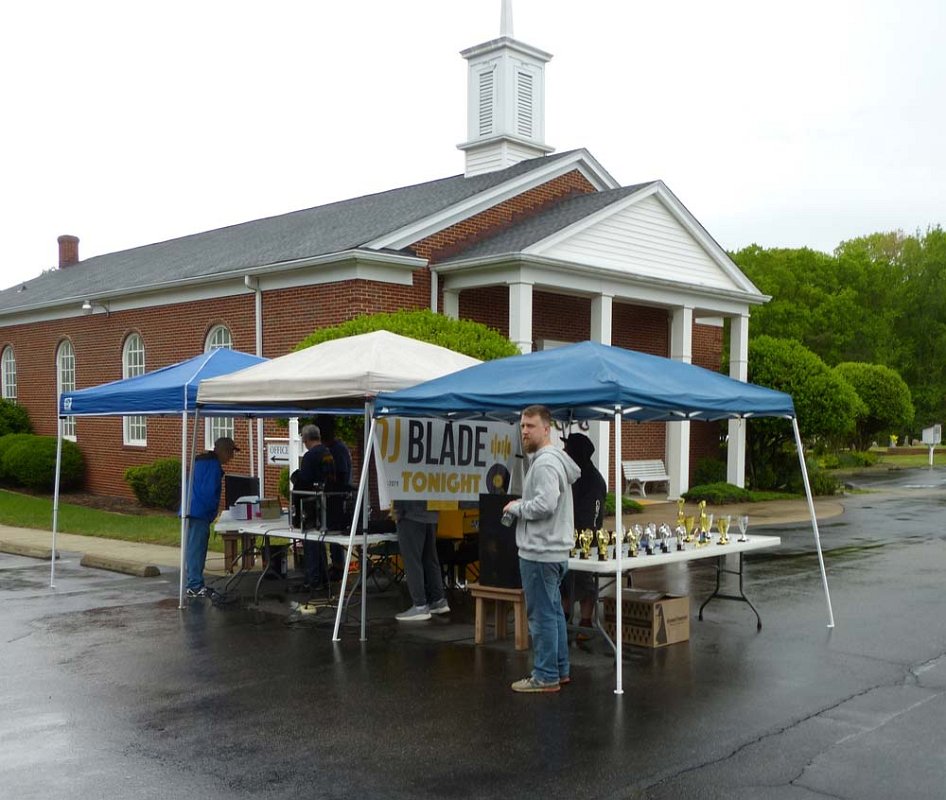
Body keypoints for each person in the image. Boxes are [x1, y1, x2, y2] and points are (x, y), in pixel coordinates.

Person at [503, 405, 579, 693]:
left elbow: (545, 504)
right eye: (522, 425)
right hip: (554, 551)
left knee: (543, 615)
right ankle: (558, 670)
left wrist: (517, 507)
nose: (524, 430)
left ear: (547, 429)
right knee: (554, 613)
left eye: (531, 426)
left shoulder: (546, 463)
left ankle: (545, 676)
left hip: (540, 552)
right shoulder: (552, 460)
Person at [561, 432, 607, 639]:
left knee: (584, 582)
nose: (563, 451)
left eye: (567, 448)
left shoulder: (593, 481)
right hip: (567, 537)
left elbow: (592, 517)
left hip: (586, 539)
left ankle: (586, 622)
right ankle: (564, 619)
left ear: (576, 453)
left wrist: (585, 537)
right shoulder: (572, 475)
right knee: (565, 581)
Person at [185, 436, 239, 602]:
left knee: (194, 548)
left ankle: (195, 583)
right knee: (197, 549)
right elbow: (208, 494)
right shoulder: (212, 466)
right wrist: (211, 515)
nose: (231, 457)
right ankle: (194, 585)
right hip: (199, 511)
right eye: (230, 452)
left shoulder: (202, 462)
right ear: (222, 451)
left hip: (192, 509)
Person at [291, 424, 336, 591]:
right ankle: (323, 578)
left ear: (305, 438)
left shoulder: (310, 456)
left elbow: (304, 480)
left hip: (311, 505)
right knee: (320, 541)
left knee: (310, 542)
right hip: (326, 504)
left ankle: (312, 580)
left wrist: (295, 478)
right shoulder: (327, 452)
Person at [394, 500, 450, 621]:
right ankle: (438, 600)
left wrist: (397, 511)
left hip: (411, 514)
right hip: (432, 513)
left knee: (412, 561)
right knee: (430, 558)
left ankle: (420, 605)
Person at [316, 415, 352, 581]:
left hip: (338, 498)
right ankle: (334, 564)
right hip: (330, 498)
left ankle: (338, 567)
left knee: (335, 533)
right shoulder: (330, 449)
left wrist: (331, 484)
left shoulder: (338, 449)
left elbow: (343, 476)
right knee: (328, 532)